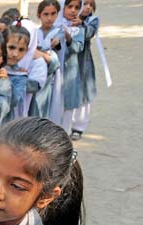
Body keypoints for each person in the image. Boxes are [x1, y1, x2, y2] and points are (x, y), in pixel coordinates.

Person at [72, 0, 100, 140]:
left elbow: (89, 33)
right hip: (68, 61)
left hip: (83, 63)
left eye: (91, 5)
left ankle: (78, 127)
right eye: (85, 4)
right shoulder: (67, 18)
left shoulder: (92, 21)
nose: (88, 7)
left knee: (83, 93)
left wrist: (81, 24)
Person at [35, 0, 65, 124]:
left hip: (53, 74)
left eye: (53, 14)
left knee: (54, 104)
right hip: (38, 73)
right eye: (46, 14)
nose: (49, 18)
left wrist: (57, 41)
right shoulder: (35, 33)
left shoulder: (60, 31)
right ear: (39, 15)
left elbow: (59, 41)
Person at [60, 0, 86, 135]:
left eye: (77, 7)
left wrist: (69, 38)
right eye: (69, 6)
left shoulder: (79, 28)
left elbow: (79, 47)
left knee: (67, 111)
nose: (73, 10)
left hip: (70, 74)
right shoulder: (55, 24)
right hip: (56, 76)